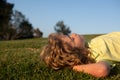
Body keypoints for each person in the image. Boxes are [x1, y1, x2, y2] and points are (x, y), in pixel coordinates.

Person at [40, 32, 120, 77]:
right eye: (72, 39)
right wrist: (72, 67)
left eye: (69, 35)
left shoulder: (88, 44)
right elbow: (102, 69)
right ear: (75, 53)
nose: (73, 34)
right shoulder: (96, 55)